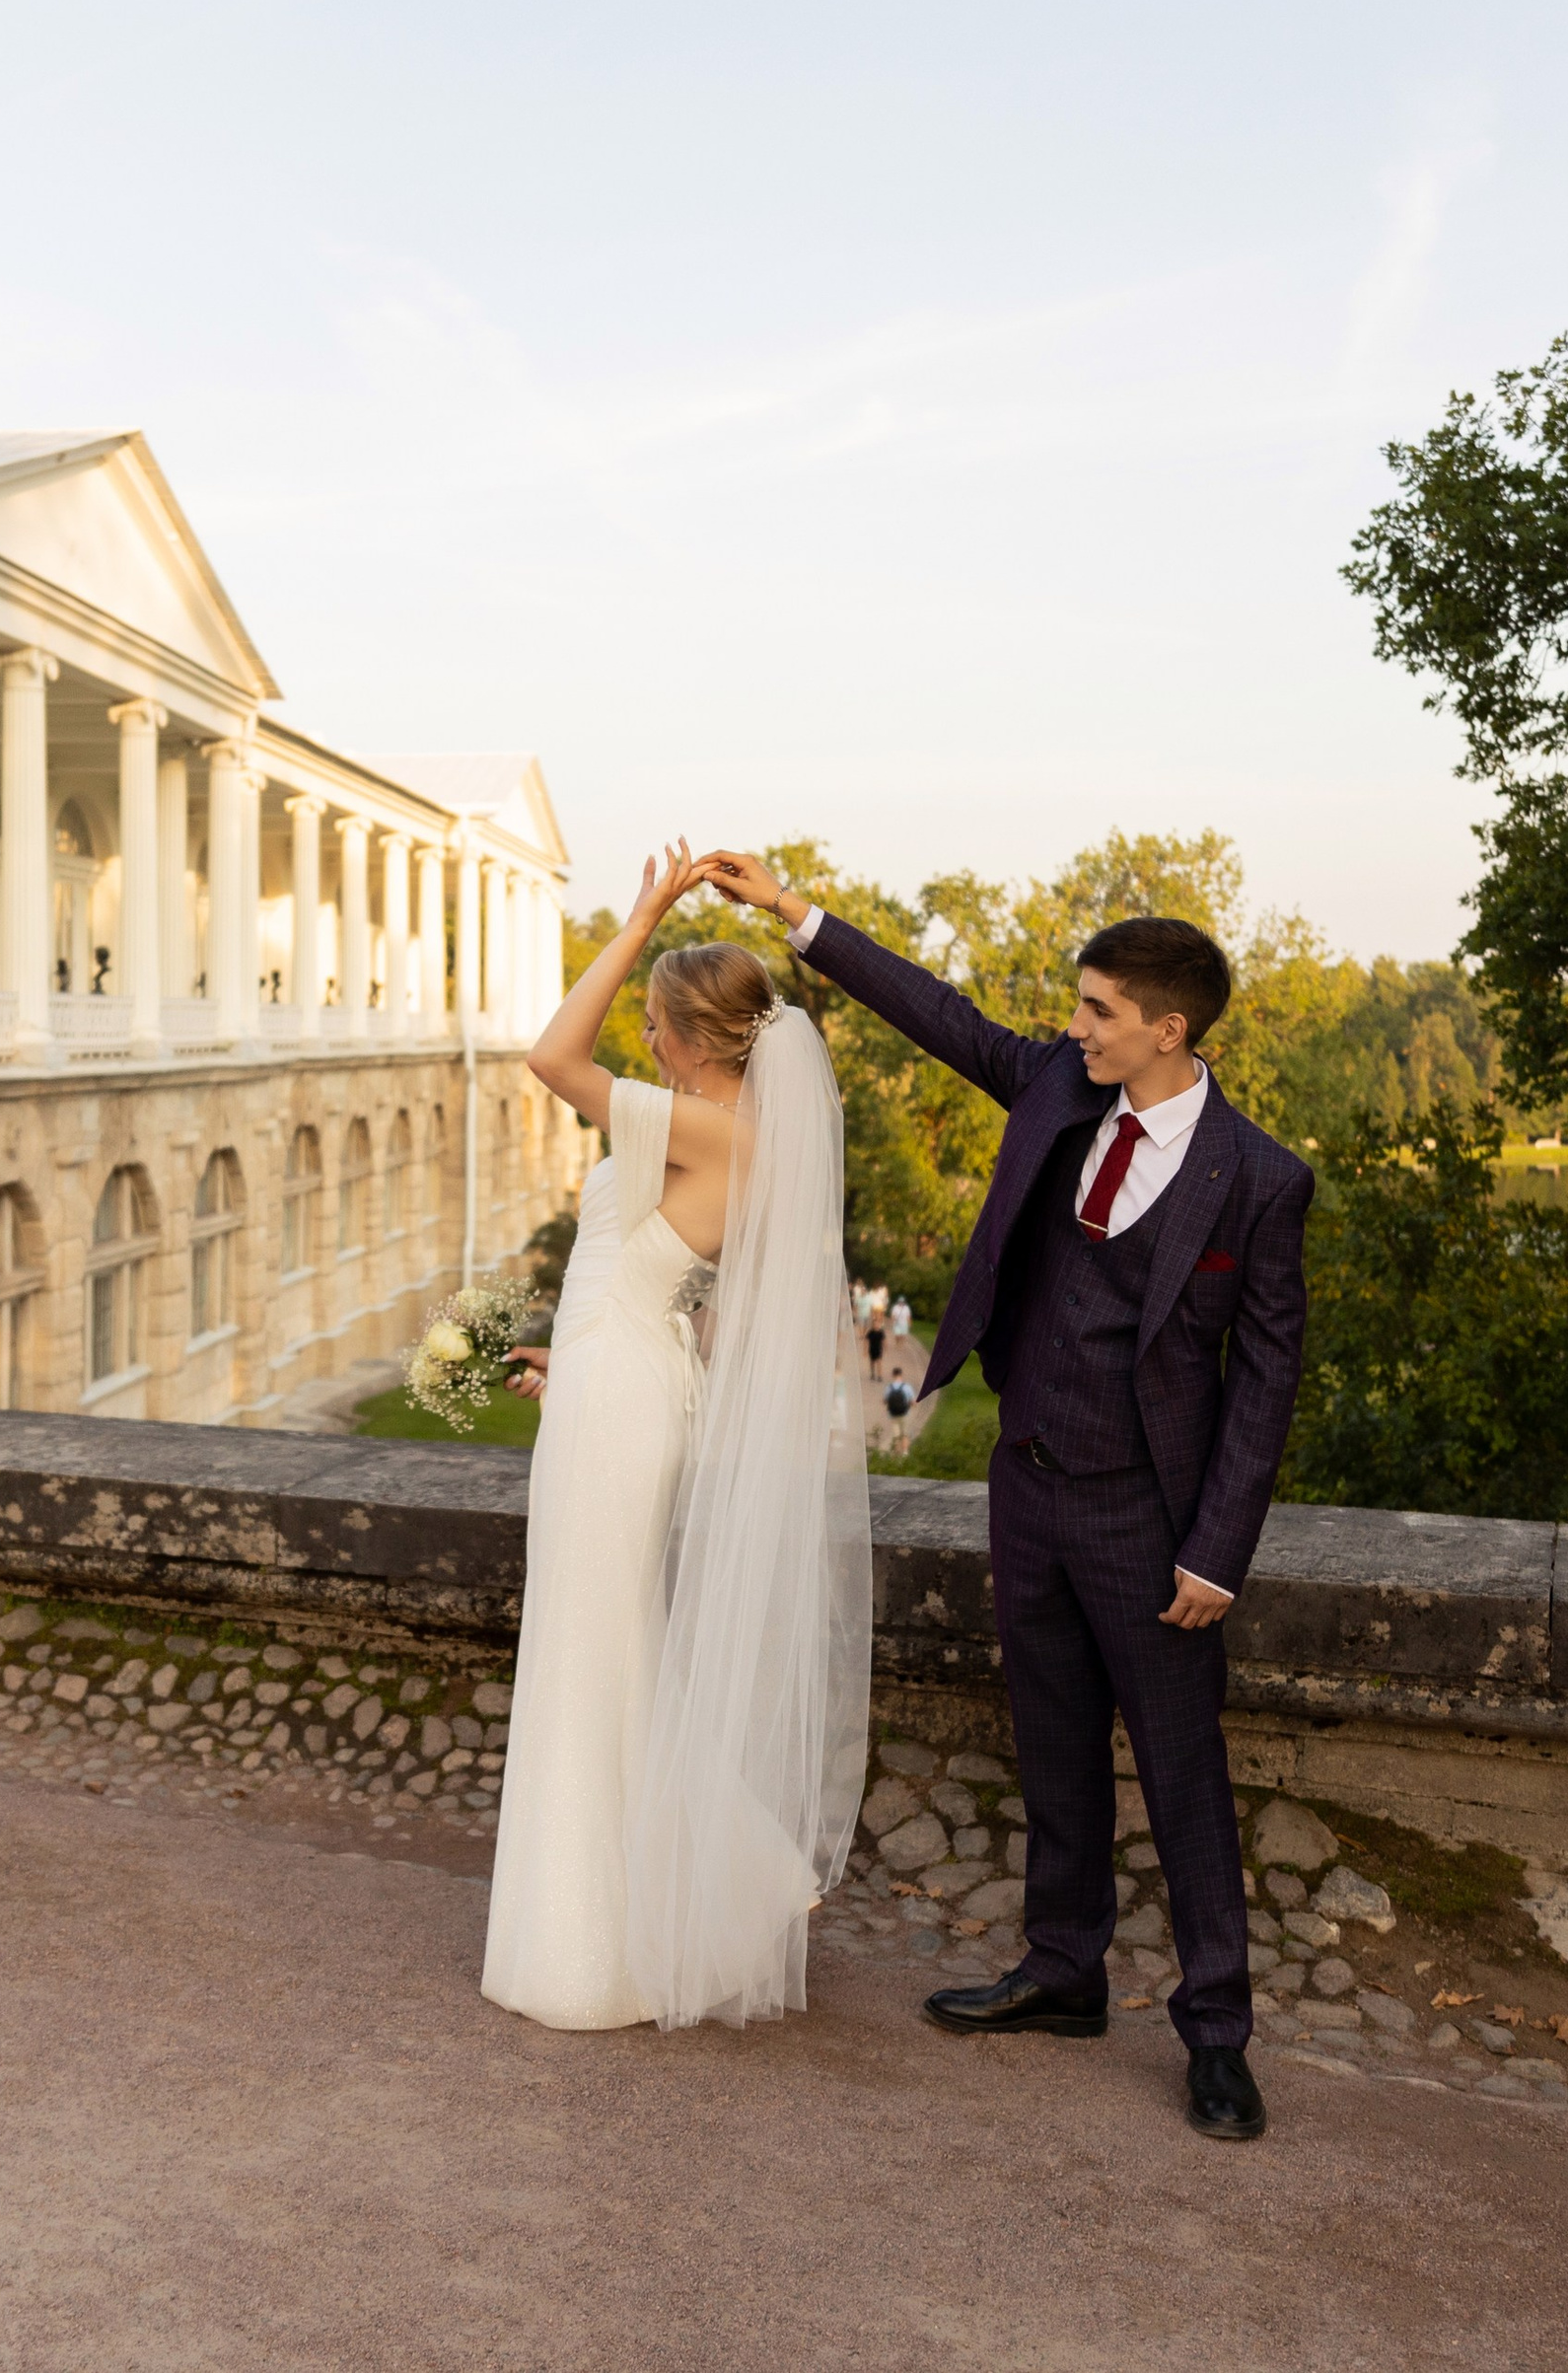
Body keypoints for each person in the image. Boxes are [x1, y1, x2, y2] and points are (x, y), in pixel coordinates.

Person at [700, 850, 1311, 2145]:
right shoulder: (1055, 1087)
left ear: (1167, 1029)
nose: (1074, 1026)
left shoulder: (1259, 1178)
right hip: (1026, 1482)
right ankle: (1063, 1970)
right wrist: (793, 912)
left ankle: (1216, 2033)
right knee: (1053, 1743)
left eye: (1097, 1010)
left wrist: (1217, 1551)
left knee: (1184, 1775)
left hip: (1150, 1520)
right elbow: (937, 1013)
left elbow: (1265, 1381)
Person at [484, 841, 872, 2034]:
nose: (641, 1039)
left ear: (695, 1038)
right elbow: (661, 1285)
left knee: (591, 1648)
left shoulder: (715, 1129)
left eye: (654, 1022)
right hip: (614, 1382)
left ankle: (613, 1936)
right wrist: (581, 1358)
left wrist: (642, 913)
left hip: (621, 1398)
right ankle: (700, 1885)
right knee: (608, 1640)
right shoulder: (734, 1133)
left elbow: (550, 1057)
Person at [884, 1368, 915, 1455]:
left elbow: (885, 1401)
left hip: (893, 1414)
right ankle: (905, 1453)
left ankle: (897, 1453)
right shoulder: (907, 1387)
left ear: (893, 1375)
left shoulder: (889, 1387)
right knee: (905, 1434)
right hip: (905, 1413)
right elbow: (912, 1402)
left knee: (896, 1436)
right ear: (901, 1375)